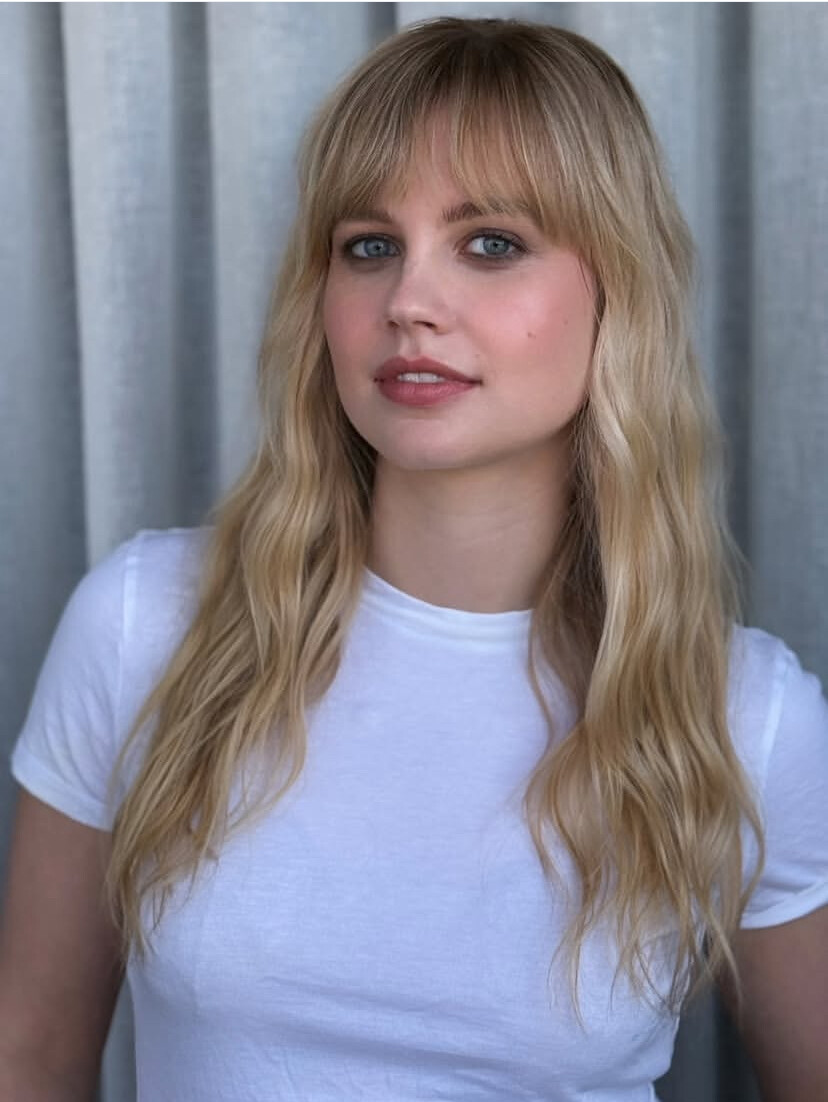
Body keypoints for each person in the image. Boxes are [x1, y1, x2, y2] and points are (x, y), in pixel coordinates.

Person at [1, 16, 826, 1102]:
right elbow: (30, 1056)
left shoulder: (743, 718)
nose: (408, 304)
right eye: (369, 246)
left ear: (617, 289)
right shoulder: (146, 623)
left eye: (491, 243)